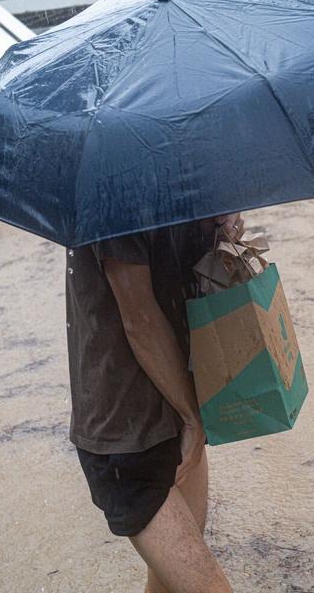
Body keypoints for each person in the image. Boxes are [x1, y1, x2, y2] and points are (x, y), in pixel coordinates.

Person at [66, 213, 243, 593]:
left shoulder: (176, 174)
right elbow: (139, 317)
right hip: (125, 433)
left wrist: (219, 229)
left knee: (167, 585)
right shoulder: (111, 192)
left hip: (178, 410)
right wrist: (193, 420)